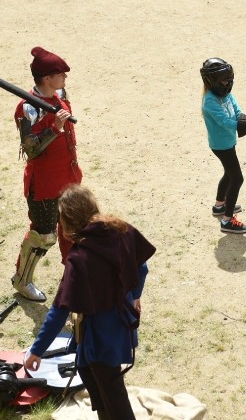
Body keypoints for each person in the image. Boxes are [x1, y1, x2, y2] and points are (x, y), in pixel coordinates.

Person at [24, 184, 156, 420]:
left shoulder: (79, 258)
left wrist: (37, 351)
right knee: (89, 373)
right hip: (119, 324)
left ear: (69, 220)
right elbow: (141, 268)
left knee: (113, 392)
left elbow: (59, 311)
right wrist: (135, 295)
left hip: (102, 337)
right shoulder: (120, 230)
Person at [11, 47, 82, 302]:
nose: (65, 76)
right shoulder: (28, 109)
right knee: (44, 235)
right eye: (59, 73)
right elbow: (31, 150)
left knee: (73, 229)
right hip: (44, 183)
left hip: (69, 176)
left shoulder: (60, 94)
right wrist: (55, 127)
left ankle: (73, 276)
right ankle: (22, 280)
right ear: (46, 78)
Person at [200, 58, 246, 234]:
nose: (227, 83)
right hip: (220, 145)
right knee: (237, 178)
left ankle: (219, 206)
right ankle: (227, 220)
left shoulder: (227, 94)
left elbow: (237, 114)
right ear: (212, 81)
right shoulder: (210, 102)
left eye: (229, 80)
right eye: (224, 80)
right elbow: (226, 122)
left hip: (228, 142)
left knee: (229, 174)